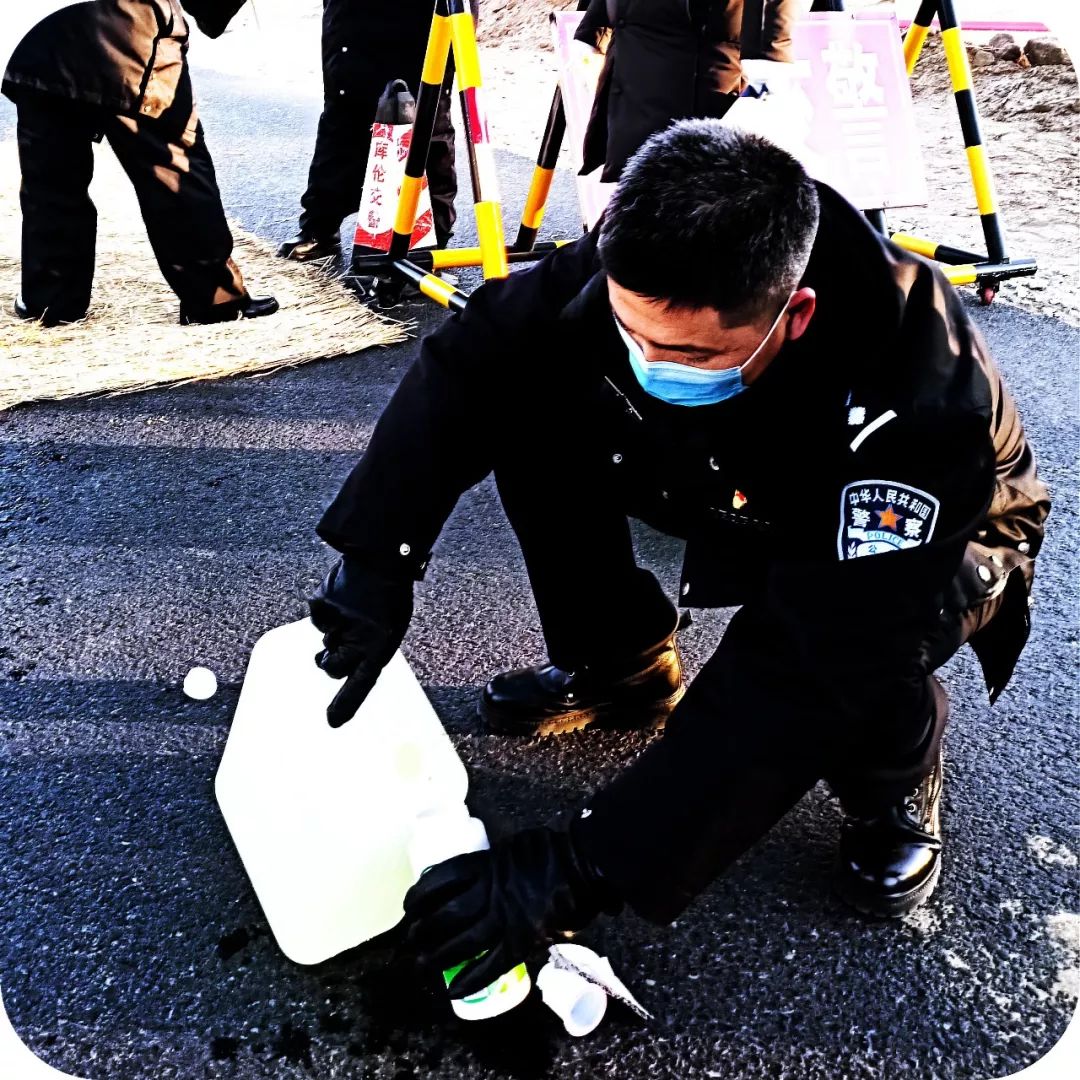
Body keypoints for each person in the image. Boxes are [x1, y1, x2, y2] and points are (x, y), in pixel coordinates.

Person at [308, 121, 1049, 998]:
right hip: (733, 462)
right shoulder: (640, 254)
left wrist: (587, 864)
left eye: (690, 352)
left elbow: (816, 654)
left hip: (932, 529)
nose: (653, 362)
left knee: (875, 643)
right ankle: (620, 661)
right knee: (538, 419)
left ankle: (894, 775)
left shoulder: (922, 392)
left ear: (794, 311)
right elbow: (472, 364)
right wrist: (378, 558)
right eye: (634, 334)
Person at [2, 0, 278, 327]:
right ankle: (214, 298)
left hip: (37, 37)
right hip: (127, 33)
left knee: (52, 181)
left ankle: (51, 300)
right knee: (174, 167)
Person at [277, 0, 481, 263]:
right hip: (353, 18)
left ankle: (427, 240)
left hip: (422, 17)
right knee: (343, 113)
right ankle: (321, 226)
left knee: (423, 116)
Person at [572, 0, 801, 181]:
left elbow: (769, 66)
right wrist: (590, 36)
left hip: (702, 129)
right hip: (630, 119)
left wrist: (765, 75)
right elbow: (598, 29)